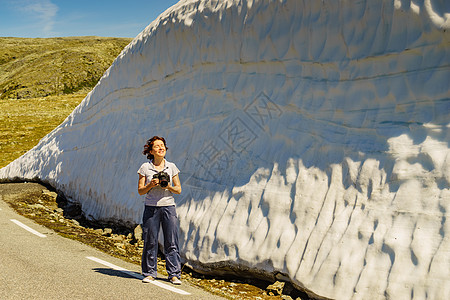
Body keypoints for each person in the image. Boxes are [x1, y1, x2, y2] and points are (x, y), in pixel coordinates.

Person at [137, 136, 182, 285]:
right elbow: (141, 191)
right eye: (157, 146)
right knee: (150, 240)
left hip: (169, 207)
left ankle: (174, 274)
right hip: (151, 208)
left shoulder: (172, 167)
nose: (161, 148)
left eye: (162, 145)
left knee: (171, 240)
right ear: (151, 151)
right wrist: (150, 184)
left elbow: (178, 189)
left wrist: (168, 186)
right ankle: (150, 273)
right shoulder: (145, 167)